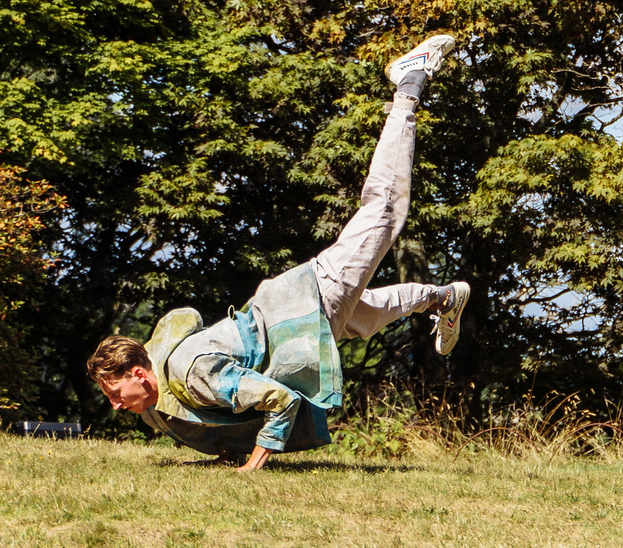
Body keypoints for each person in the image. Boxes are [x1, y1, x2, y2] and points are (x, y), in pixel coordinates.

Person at [83, 33, 470, 469]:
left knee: (384, 208)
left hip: (307, 297)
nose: (115, 404)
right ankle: (445, 297)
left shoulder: (189, 370)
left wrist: (255, 462)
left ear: (139, 373)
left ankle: (408, 85)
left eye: (115, 393)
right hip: (294, 319)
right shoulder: (158, 402)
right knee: (366, 318)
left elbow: (277, 399)